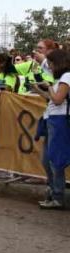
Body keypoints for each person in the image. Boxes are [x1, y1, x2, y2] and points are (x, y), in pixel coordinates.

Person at [30, 49, 70, 210]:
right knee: (47, 160)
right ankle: (54, 192)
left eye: (51, 64)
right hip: (52, 119)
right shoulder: (62, 78)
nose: (50, 67)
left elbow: (58, 100)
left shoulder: (66, 77)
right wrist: (40, 89)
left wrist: (49, 87)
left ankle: (57, 195)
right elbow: (52, 98)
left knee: (54, 160)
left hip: (59, 120)